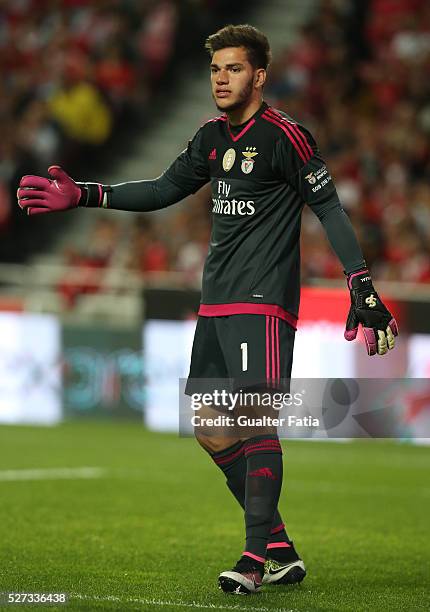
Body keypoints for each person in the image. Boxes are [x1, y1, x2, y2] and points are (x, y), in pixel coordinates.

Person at [17, 24, 398, 595]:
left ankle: (251, 558)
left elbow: (331, 210)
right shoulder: (210, 138)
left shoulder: (285, 137)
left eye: (234, 68)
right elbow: (162, 189)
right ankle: (280, 548)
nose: (222, 78)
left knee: (253, 421)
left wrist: (360, 285)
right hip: (216, 303)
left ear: (260, 75)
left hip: (264, 302)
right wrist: (89, 193)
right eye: (216, 69)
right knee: (210, 428)